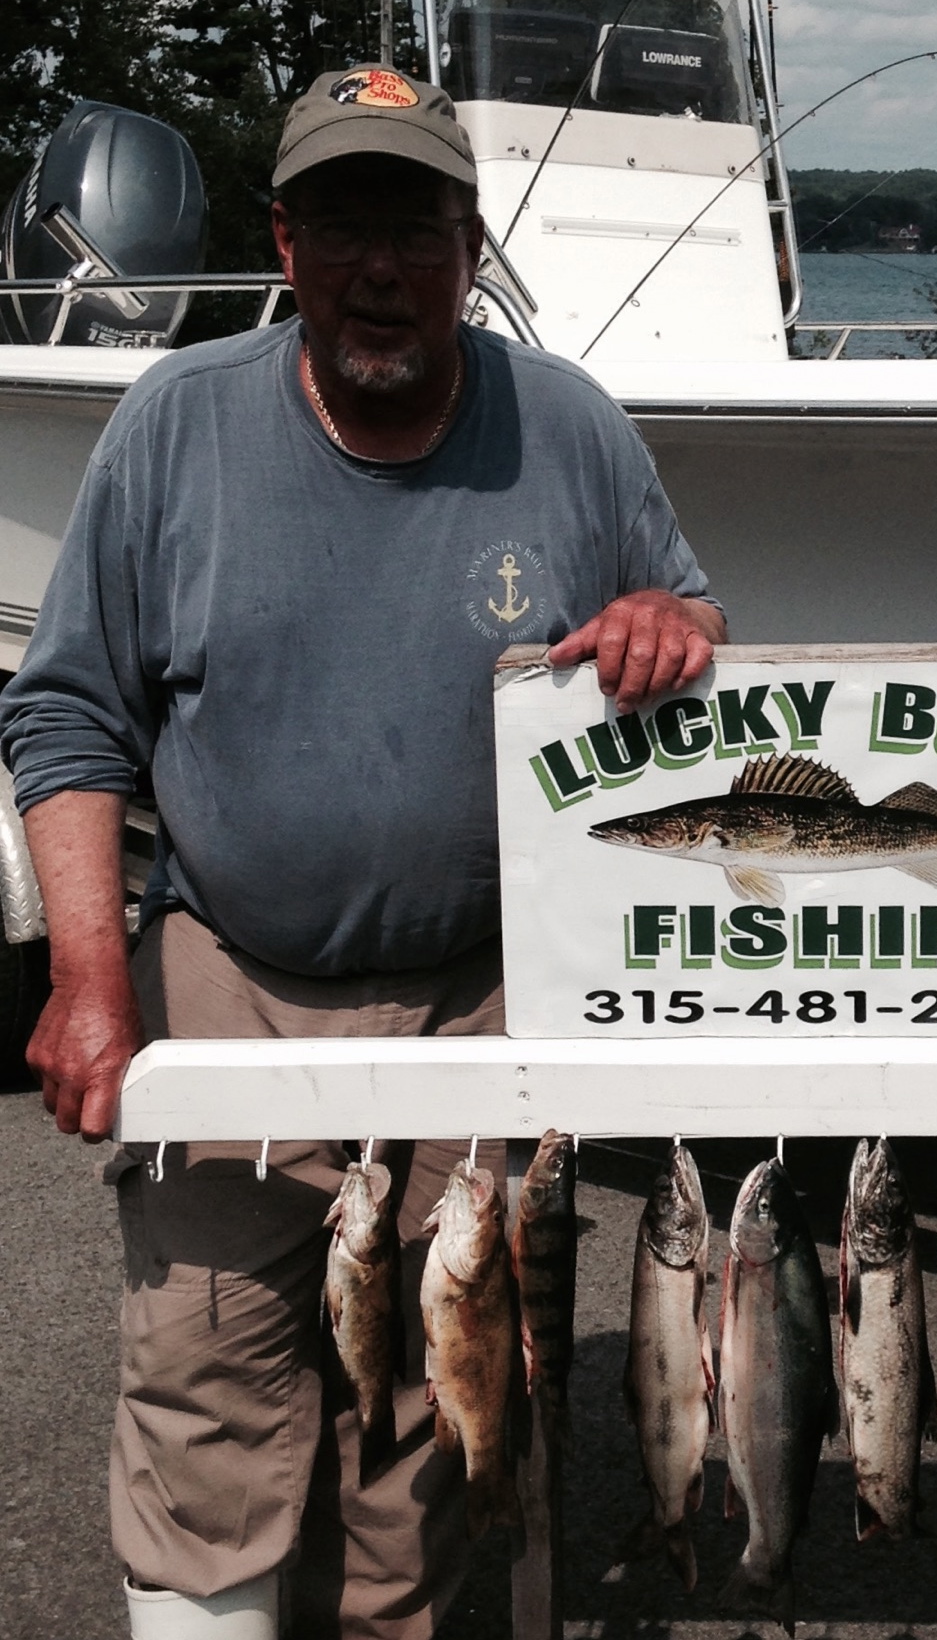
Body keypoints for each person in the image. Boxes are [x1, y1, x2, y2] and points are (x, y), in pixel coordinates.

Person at [0, 65, 724, 1639]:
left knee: (428, 1427)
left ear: (470, 243)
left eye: (414, 223)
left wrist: (680, 622)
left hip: (480, 994)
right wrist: (86, 979)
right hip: (227, 981)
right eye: (341, 224)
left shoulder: (572, 424)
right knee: (207, 1386)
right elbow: (65, 721)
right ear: (283, 243)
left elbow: (691, 608)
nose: (379, 265)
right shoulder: (173, 427)